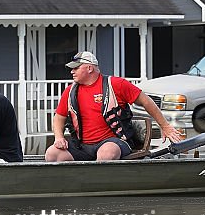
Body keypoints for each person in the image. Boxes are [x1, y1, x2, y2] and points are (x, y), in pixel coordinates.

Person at [45, 51, 183, 162]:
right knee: (52, 154)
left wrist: (165, 126)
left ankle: (100, 185)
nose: (71, 72)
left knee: (106, 153)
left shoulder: (117, 84)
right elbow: (59, 117)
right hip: (82, 146)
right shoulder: (70, 91)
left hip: (114, 142)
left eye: (76, 68)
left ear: (89, 68)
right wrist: (59, 137)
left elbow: (146, 101)